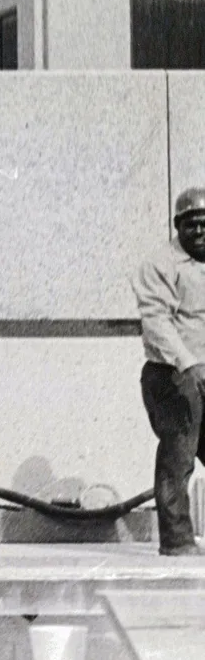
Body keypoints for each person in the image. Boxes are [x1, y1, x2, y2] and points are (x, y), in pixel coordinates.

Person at [133, 186, 205, 556]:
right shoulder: (160, 263)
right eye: (191, 224)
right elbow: (157, 323)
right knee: (179, 456)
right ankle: (177, 542)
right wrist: (188, 363)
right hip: (174, 375)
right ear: (178, 225)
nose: (200, 231)